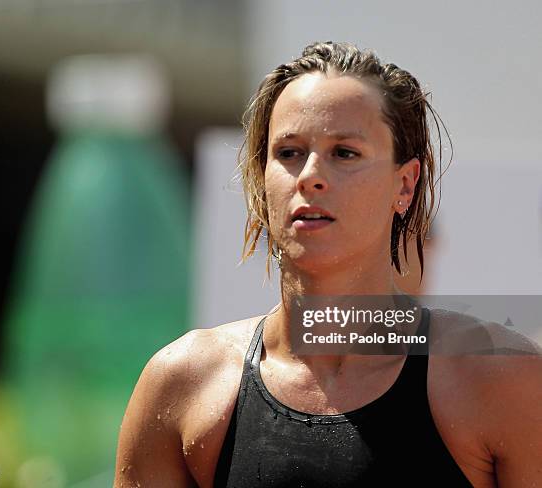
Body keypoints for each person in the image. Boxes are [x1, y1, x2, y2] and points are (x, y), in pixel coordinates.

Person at [114, 41, 542, 487]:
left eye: (345, 153)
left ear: (406, 184)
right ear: (261, 180)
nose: (310, 176)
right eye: (289, 152)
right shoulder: (186, 383)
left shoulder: (499, 380)